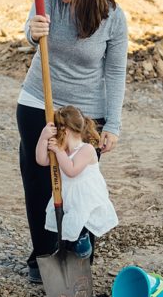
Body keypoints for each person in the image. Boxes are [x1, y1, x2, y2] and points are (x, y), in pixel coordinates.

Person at [17, 0, 128, 282]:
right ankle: (43, 255)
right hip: (40, 104)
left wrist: (113, 124)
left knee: (81, 186)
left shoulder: (113, 17)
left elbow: (116, 72)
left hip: (85, 117)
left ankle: (78, 252)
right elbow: (29, 33)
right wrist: (33, 32)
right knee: (39, 183)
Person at [36, 105, 119, 259]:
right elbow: (41, 160)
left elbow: (72, 171)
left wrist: (58, 151)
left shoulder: (86, 149)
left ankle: (82, 242)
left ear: (64, 130)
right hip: (68, 194)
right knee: (65, 227)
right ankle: (67, 254)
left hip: (85, 196)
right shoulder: (62, 150)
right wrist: (43, 137)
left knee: (79, 223)